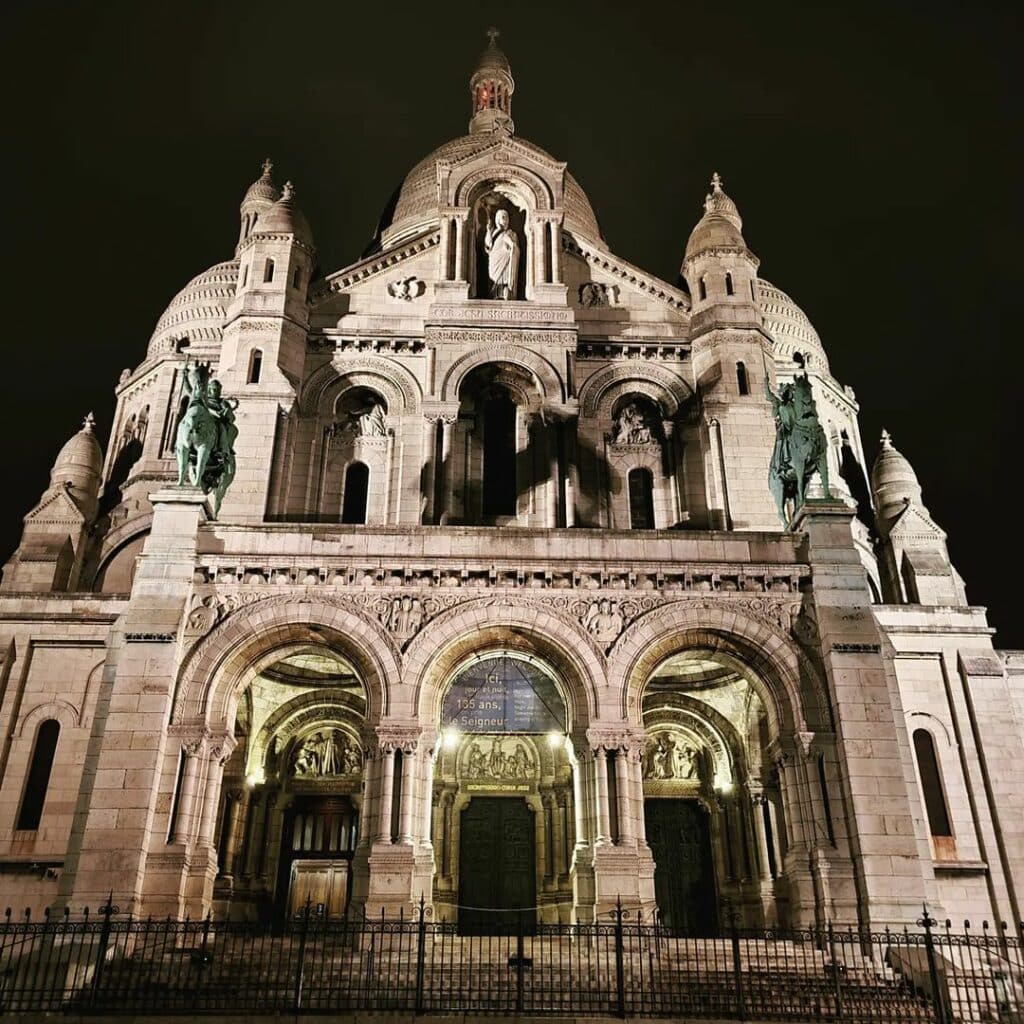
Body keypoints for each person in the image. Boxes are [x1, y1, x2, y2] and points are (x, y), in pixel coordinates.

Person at [484, 208, 519, 300]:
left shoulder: (511, 233)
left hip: (506, 259)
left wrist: (510, 247)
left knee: (504, 277)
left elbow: (514, 246)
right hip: (494, 258)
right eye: (503, 217)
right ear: (498, 219)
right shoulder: (494, 232)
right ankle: (494, 294)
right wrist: (488, 231)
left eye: (507, 217)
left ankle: (505, 292)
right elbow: (488, 245)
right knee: (493, 276)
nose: (505, 219)